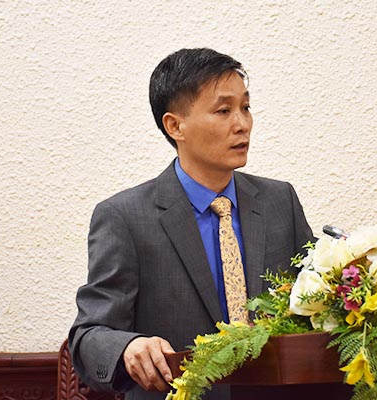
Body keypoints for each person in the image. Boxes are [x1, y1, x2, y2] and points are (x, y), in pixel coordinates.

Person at [69, 48, 314, 400]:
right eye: (223, 111)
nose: (242, 124)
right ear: (175, 126)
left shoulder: (280, 201)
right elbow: (89, 335)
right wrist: (128, 346)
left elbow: (314, 302)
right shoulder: (125, 217)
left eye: (245, 107)